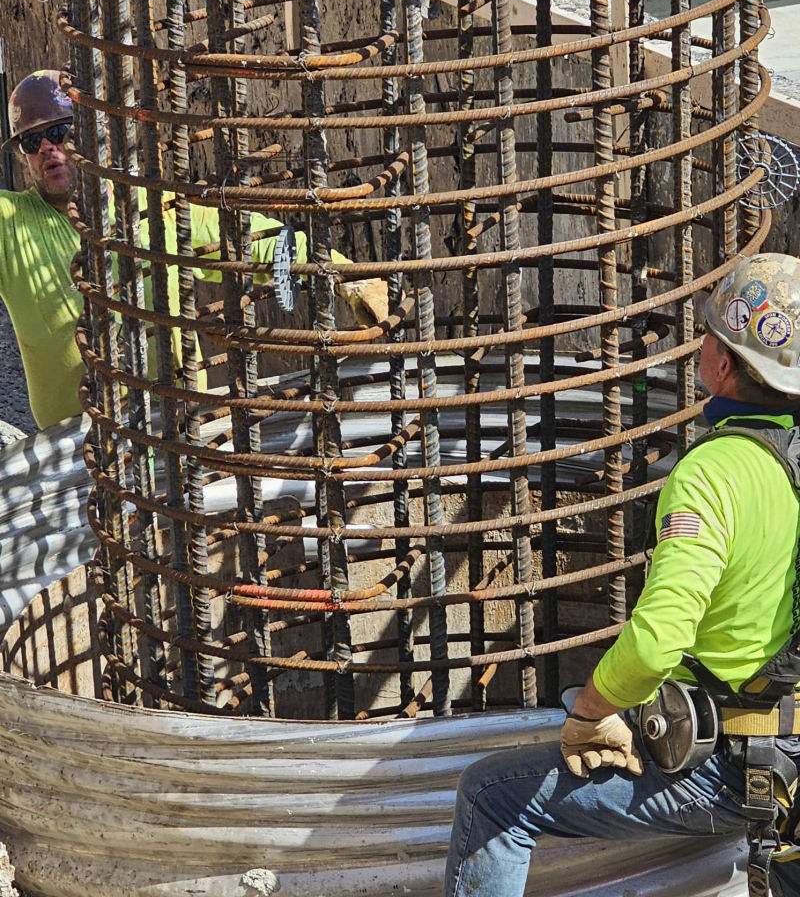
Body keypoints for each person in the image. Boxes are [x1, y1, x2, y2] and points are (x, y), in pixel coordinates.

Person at [443, 252, 800, 897]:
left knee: (489, 794)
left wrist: (592, 708)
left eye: (709, 338)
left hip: (734, 768)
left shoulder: (712, 475)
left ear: (721, 364)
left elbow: (659, 637)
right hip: (792, 761)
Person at [0, 70, 388, 430]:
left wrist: (345, 276)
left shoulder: (152, 209)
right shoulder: (11, 225)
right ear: (23, 154)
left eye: (62, 132)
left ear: (89, 133)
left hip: (177, 418)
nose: (50, 149)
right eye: (33, 141)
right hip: (80, 440)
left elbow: (250, 238)